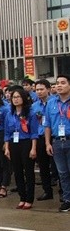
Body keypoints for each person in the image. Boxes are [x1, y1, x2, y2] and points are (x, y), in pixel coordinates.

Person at [4, 88, 38, 209]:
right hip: (14, 144)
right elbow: (7, 133)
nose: (16, 99)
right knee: (17, 172)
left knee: (28, 172)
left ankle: (29, 198)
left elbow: (34, 133)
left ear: (23, 98)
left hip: (26, 143)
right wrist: (7, 148)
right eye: (13, 97)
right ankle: (22, 197)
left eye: (18, 97)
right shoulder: (10, 114)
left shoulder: (31, 113)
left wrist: (33, 148)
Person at [45, 74, 70, 212]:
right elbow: (47, 124)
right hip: (57, 142)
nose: (59, 85)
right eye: (57, 83)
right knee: (62, 173)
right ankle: (67, 199)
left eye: (63, 83)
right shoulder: (51, 103)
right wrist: (48, 143)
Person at [33, 79, 55, 201]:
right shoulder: (34, 106)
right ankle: (47, 191)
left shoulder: (55, 102)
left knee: (58, 167)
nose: (39, 92)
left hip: (54, 136)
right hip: (40, 137)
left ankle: (63, 191)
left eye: (42, 89)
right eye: (37, 90)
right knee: (43, 166)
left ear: (48, 89)